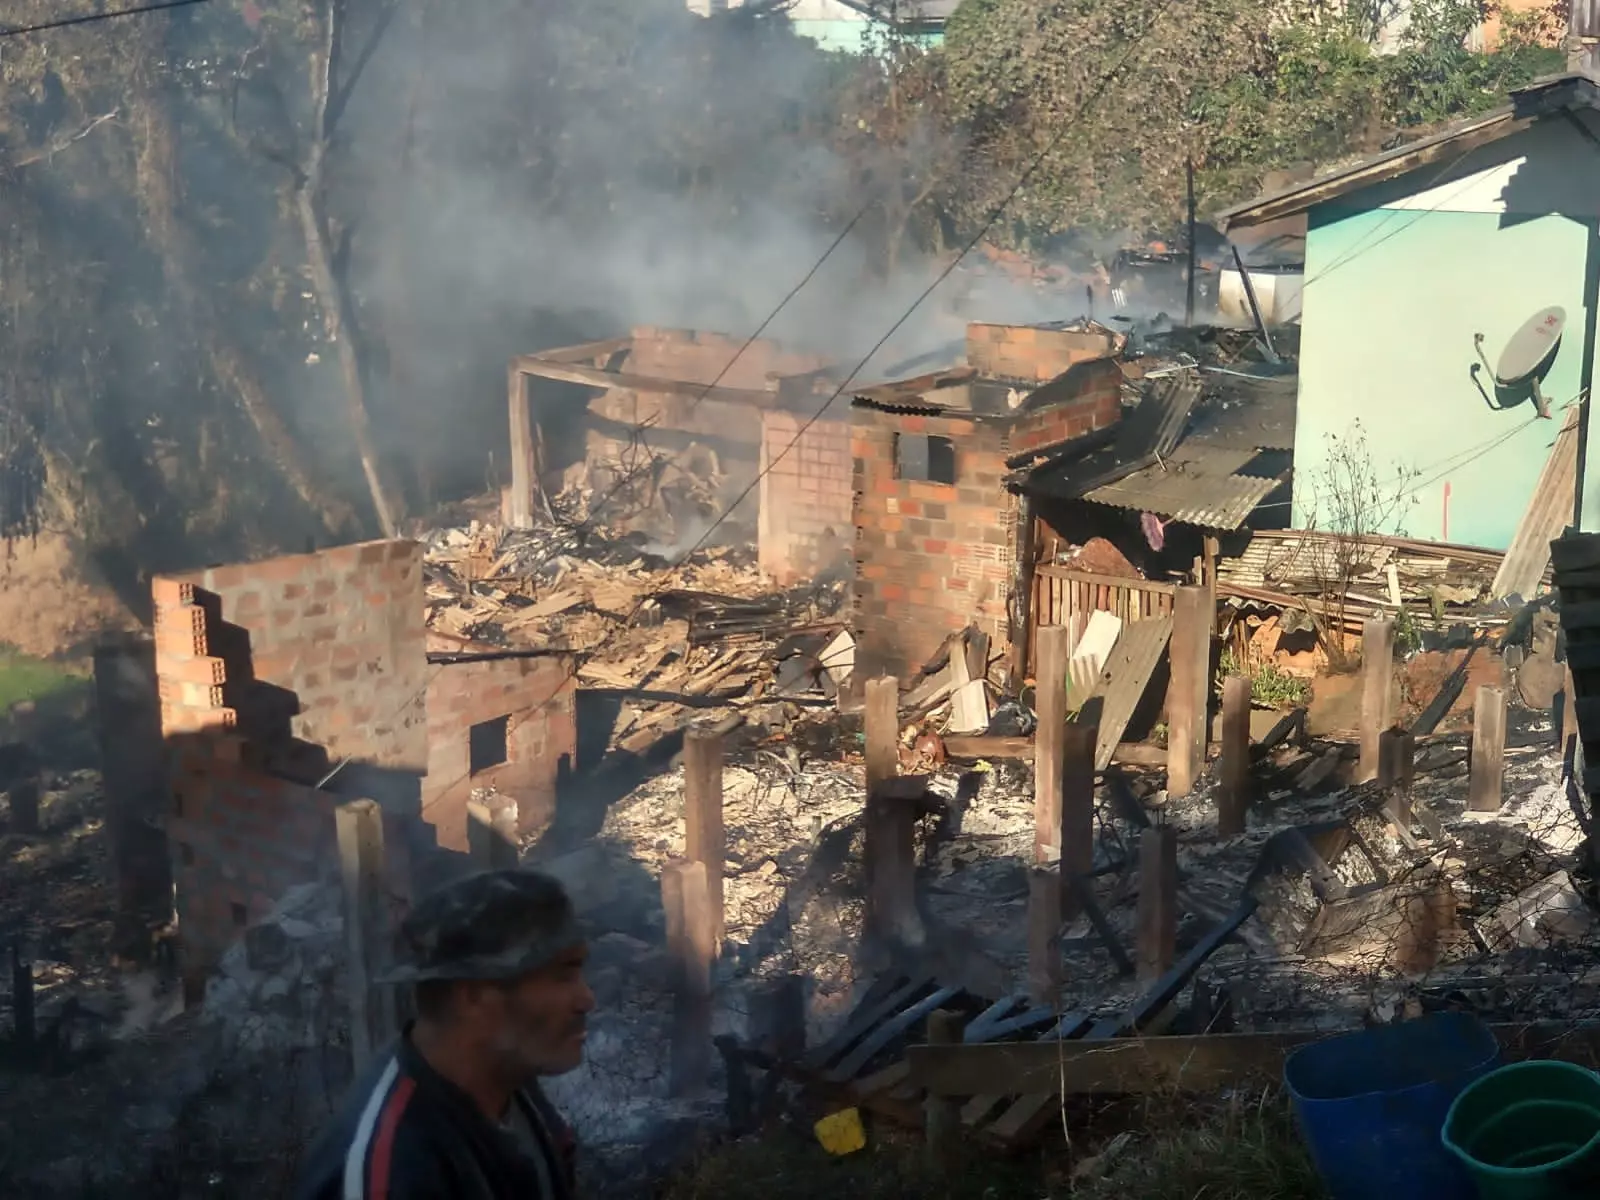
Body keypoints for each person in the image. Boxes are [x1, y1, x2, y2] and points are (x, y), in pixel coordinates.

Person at [294, 868, 594, 1199]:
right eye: (563, 976)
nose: (586, 1000)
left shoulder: (509, 1081)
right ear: (473, 996)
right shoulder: (395, 1171)